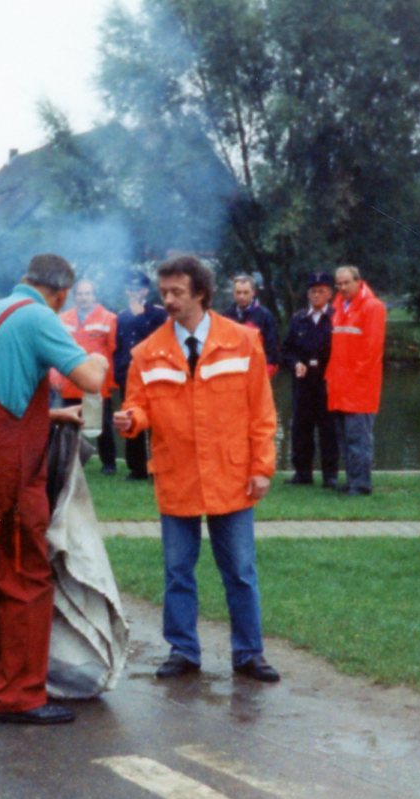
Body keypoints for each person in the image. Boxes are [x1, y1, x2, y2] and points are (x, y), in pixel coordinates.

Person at [0, 253, 108, 725]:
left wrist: (53, 414)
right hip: (6, 466)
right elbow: (91, 380)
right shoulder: (39, 315)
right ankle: (18, 695)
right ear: (61, 293)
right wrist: (98, 353)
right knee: (24, 574)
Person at [113, 255, 280, 683]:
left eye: (176, 293)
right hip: (178, 475)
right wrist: (130, 420)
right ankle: (183, 650)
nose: (167, 300)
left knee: (240, 571)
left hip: (231, 474)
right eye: (163, 292)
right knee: (177, 571)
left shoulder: (243, 341)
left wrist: (262, 467)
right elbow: (138, 407)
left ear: (200, 293)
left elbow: (262, 412)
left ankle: (248, 653)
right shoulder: (146, 353)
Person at [327, 265, 387, 496]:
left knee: (358, 439)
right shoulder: (340, 307)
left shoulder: (373, 307)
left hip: (359, 388)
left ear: (358, 281)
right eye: (338, 284)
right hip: (340, 385)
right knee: (345, 439)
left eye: (345, 283)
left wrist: (354, 378)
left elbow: (372, 351)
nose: (341, 288)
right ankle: (353, 479)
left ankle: (361, 484)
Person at [52, 279, 119, 474]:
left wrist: (111, 381)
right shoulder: (62, 319)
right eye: (80, 294)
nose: (84, 297)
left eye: (88, 293)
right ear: (74, 297)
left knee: (103, 425)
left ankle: (109, 464)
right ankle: (68, 462)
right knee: (68, 423)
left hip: (96, 382)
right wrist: (54, 377)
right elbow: (55, 351)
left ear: (94, 296)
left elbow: (114, 351)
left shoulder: (109, 318)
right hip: (70, 380)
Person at [281, 272, 339, 489]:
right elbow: (286, 350)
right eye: (313, 291)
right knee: (301, 428)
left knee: (328, 430)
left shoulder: (336, 317)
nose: (317, 295)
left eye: (321, 291)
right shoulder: (299, 319)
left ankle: (330, 475)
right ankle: (302, 473)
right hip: (303, 383)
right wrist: (295, 363)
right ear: (308, 294)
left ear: (329, 293)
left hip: (327, 382)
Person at [112, 272, 167, 480]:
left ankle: (157, 466)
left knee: (157, 421)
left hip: (154, 373)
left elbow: (158, 339)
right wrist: (118, 372)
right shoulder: (121, 315)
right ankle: (136, 468)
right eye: (129, 288)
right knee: (130, 418)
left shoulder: (158, 314)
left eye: (137, 288)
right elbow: (118, 346)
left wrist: (140, 316)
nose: (133, 292)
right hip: (129, 374)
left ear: (145, 290)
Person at [230, 274, 281, 376]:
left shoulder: (265, 316)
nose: (241, 296)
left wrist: (264, 375)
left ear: (253, 293)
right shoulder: (226, 316)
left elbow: (273, 350)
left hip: (258, 373)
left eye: (245, 292)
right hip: (233, 375)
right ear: (233, 294)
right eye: (238, 292)